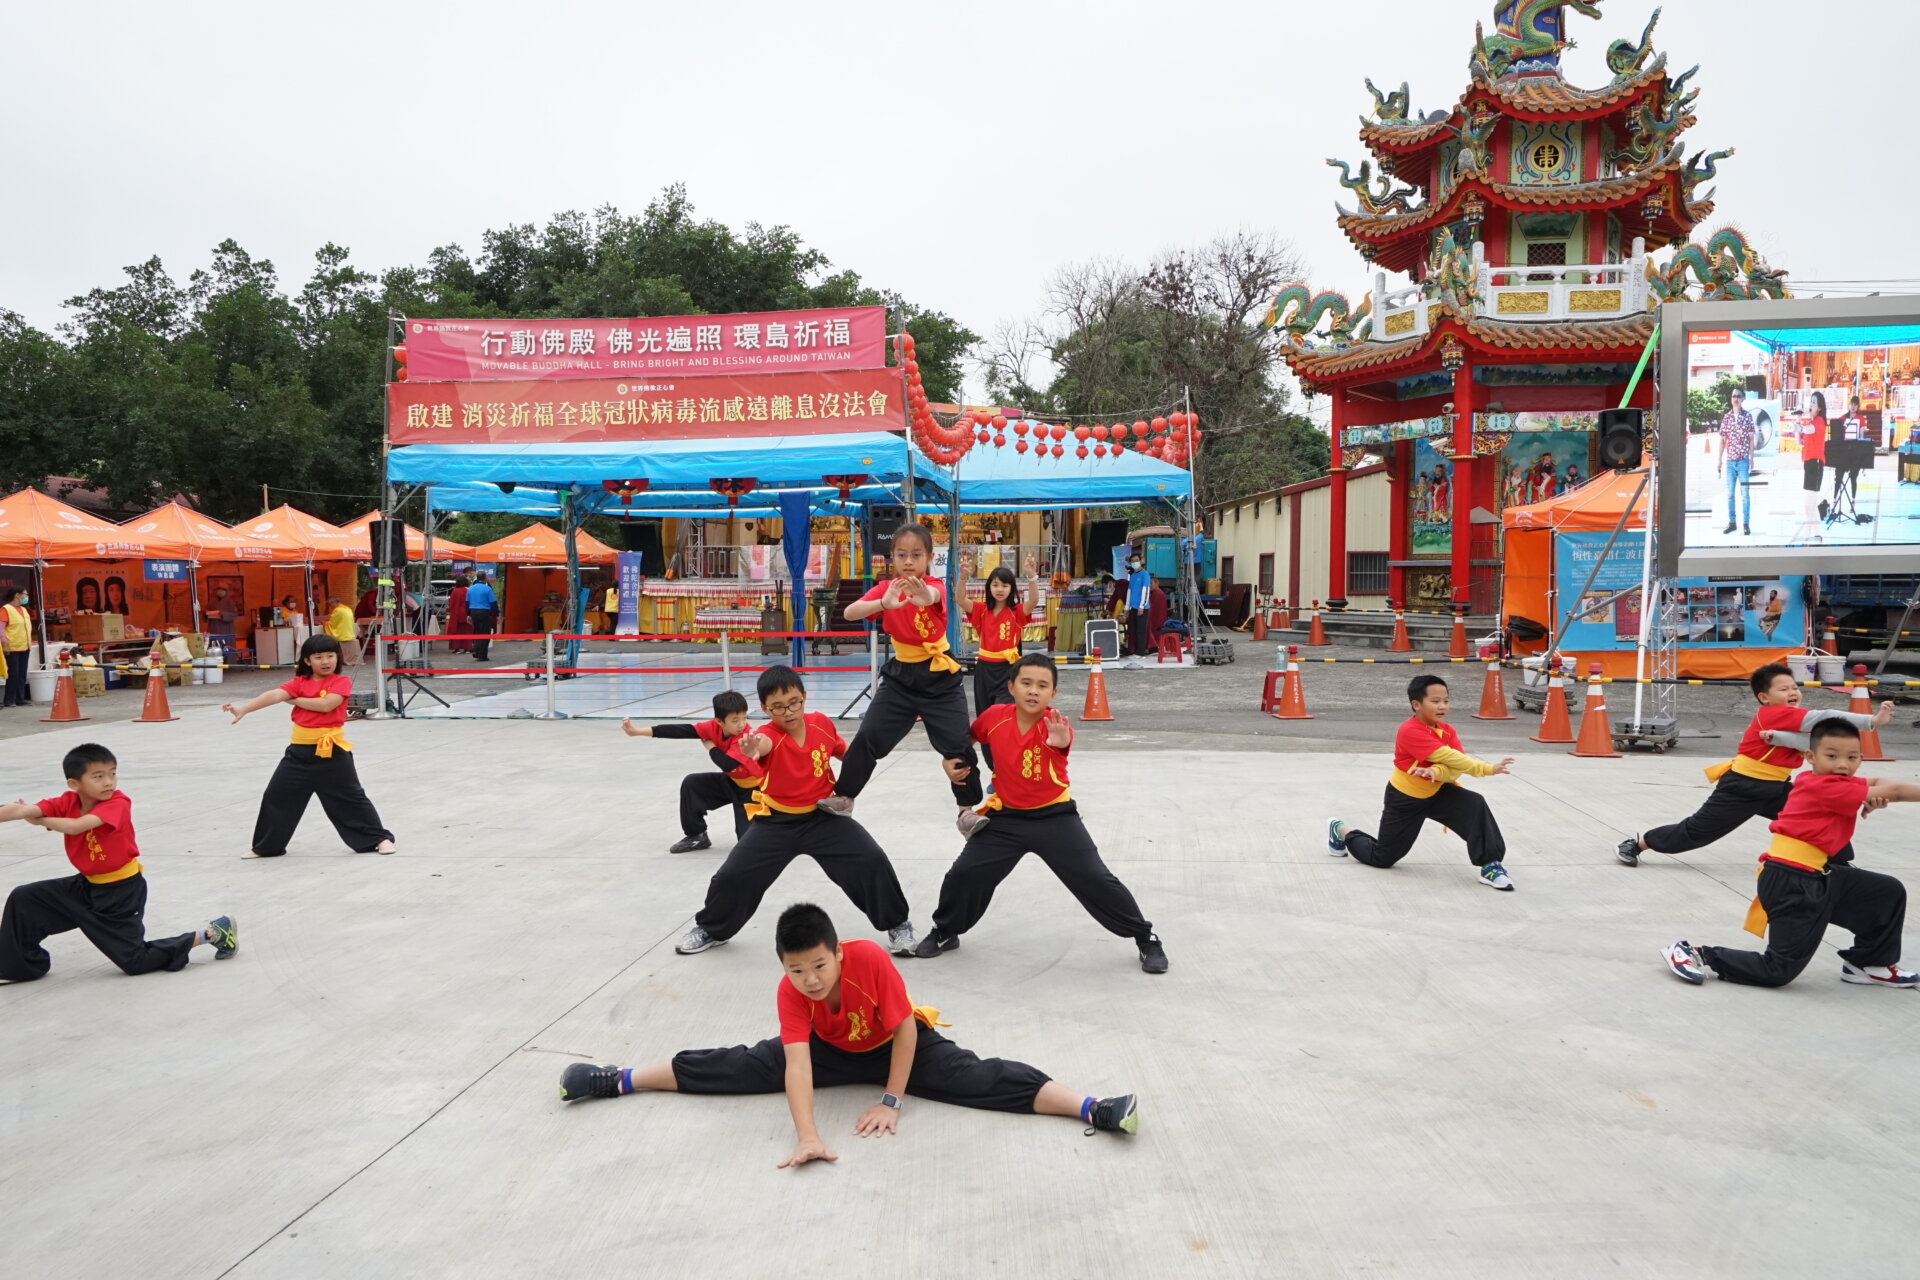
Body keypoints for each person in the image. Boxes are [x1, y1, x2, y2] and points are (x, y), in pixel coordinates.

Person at [557, 901, 1140, 1160]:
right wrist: (808, 1136)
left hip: (895, 1042)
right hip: (830, 1050)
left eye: (818, 965)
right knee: (734, 1066)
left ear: (837, 952)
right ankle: (618, 1078)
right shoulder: (792, 992)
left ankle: (1094, 1107)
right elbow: (797, 1065)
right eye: (796, 969)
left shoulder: (870, 961)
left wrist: (892, 1100)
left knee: (980, 1079)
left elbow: (906, 1033)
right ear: (783, 968)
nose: (810, 979)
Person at [917, 653, 1168, 973]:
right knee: (964, 874)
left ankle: (1146, 938)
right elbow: (965, 739)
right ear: (1011, 687)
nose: (1033, 691)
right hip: (1005, 817)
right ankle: (945, 930)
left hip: (1055, 817)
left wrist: (1060, 742)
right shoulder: (994, 716)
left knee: (1095, 877)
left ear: (1053, 693)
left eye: (1042, 685)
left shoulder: (1055, 725)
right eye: (1026, 683)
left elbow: (1061, 743)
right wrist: (950, 762)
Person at [674, 666, 916, 957]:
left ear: (804, 696)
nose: (787, 712)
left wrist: (861, 758)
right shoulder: (765, 735)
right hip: (776, 822)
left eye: (793, 702)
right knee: (732, 876)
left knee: (871, 860)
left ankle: (898, 924)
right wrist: (750, 751)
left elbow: (843, 751)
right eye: (777, 707)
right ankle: (711, 929)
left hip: (824, 818)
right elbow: (760, 746)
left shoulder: (821, 724)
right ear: (764, 708)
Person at [1662, 720, 1919, 989]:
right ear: (1810, 757)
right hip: (1790, 882)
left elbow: (1880, 782)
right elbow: (1895, 790)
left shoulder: (1824, 778)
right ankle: (1695, 952)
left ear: (1860, 759)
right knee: (1777, 971)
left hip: (1818, 874)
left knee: (1886, 892)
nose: (1842, 764)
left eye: (1852, 757)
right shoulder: (1824, 787)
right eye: (1832, 756)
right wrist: (1881, 794)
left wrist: (1875, 796)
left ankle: (1870, 964)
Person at [1615, 662, 1893, 866]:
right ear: (1765, 697)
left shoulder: (1787, 719)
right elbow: (1824, 719)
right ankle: (1639, 843)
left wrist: (1779, 738)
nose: (1792, 692)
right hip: (1743, 787)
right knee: (1697, 832)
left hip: (1777, 788)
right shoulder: (1773, 713)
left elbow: (1809, 743)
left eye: (1794, 687)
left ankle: (1839, 864)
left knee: (1820, 815)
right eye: (1784, 689)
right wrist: (1871, 722)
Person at [0, 743, 236, 982]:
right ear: (75, 784)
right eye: (98, 776)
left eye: (113, 773)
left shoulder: (118, 802)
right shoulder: (67, 801)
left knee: (135, 961)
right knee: (25, 898)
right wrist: (26, 812)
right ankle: (18, 967)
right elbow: (22, 810)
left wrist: (39, 820)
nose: (108, 782)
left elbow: (75, 827)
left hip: (121, 892)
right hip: (87, 886)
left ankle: (212, 933)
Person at [827, 524, 985, 836]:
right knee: (869, 736)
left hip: (940, 676)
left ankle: (967, 810)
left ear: (928, 558)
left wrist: (921, 594)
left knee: (957, 745)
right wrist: (884, 603)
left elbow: (931, 596)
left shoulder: (933, 583)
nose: (908, 561)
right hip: (901, 677)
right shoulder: (886, 588)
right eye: (901, 554)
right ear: (892, 558)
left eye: (916, 555)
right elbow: (849, 613)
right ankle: (844, 797)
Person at [1326, 674, 1518, 890]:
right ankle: (1340, 830)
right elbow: (1451, 758)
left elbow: (1456, 769)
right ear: (1416, 704)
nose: (1442, 706)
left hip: (1437, 792)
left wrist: (1436, 772)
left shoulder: (1447, 731)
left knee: (1474, 803)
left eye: (1445, 700)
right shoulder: (1409, 731)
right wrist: (1488, 769)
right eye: (1435, 701)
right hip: (1405, 798)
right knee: (1382, 858)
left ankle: (1490, 865)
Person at [224, 635, 395, 859]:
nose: (326, 661)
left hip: (332, 752)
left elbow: (326, 705)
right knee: (276, 796)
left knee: (351, 799)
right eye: (319, 657)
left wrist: (293, 700)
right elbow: (274, 694)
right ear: (307, 661)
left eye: (331, 656)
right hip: (298, 754)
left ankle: (379, 839)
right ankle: (266, 847)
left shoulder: (340, 682)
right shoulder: (299, 683)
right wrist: (244, 709)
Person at [622, 689, 763, 853]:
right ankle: (697, 836)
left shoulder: (745, 735)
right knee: (692, 783)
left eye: (744, 718)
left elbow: (728, 764)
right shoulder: (712, 727)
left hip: (754, 790)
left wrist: (711, 747)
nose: (741, 724)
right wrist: (637, 731)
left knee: (749, 846)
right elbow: (682, 730)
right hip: (731, 782)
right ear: (719, 721)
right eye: (735, 720)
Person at [964, 554, 1042, 717]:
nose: (1000, 589)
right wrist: (962, 578)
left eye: (1005, 585)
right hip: (984, 669)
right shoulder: (981, 610)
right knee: (985, 716)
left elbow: (1033, 601)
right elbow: (959, 599)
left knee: (1003, 713)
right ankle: (987, 744)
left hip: (1008, 668)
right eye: (995, 585)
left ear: (1011, 589)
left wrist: (1031, 576)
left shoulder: (1017, 612)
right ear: (989, 587)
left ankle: (1004, 742)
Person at [1716, 387, 1755, 535]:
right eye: (1733, 396)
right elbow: (1722, 440)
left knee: (1745, 493)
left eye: (1738, 396)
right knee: (1730, 494)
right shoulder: (1726, 417)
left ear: (1743, 399)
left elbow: (1751, 439)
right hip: (1730, 462)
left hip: (1743, 461)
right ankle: (1732, 523)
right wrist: (1719, 460)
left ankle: (1746, 523)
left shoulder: (1748, 416)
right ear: (1731, 399)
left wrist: (1752, 458)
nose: (1736, 398)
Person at [1793, 391, 1829, 544]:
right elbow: (1798, 442)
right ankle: (1815, 536)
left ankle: (1810, 536)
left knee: (1810, 504)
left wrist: (1800, 424)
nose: (1811, 404)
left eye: (1814, 402)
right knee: (1808, 505)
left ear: (1820, 407)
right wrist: (1797, 422)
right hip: (1808, 464)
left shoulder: (1819, 421)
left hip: (1816, 464)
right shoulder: (1810, 423)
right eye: (1811, 401)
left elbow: (1808, 430)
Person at [463, 573, 497, 662]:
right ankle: (482, 655)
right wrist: (497, 614)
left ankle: (476, 651)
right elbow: (493, 603)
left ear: (477, 578)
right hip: (484, 612)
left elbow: (467, 603)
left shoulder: (470, 589)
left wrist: (468, 614)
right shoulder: (488, 589)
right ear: (485, 578)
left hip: (473, 612)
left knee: (477, 632)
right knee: (485, 633)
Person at [324, 595, 361, 666]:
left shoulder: (338, 610)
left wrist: (324, 624)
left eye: (329, 604)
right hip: (349, 632)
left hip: (342, 634)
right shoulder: (347, 608)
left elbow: (332, 623)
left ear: (333, 602)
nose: (330, 606)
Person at [445, 573, 471, 654]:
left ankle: (457, 648)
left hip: (456, 613)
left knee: (456, 630)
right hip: (467, 612)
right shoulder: (468, 590)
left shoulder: (455, 591)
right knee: (467, 630)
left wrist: (449, 610)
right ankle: (467, 648)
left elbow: (451, 603)